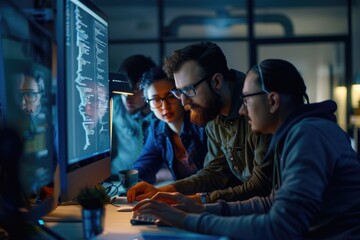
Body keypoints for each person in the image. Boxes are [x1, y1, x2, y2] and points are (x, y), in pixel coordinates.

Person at [133, 59, 360, 239]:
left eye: (247, 100)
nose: (242, 111)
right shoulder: (295, 134)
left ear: (272, 101)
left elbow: (280, 228)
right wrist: (198, 208)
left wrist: (185, 220)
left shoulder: (308, 136)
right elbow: (271, 203)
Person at [127, 41, 273, 203]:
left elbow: (262, 185)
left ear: (217, 82)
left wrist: (196, 201)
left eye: (189, 89)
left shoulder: (257, 109)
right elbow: (214, 172)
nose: (183, 102)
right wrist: (163, 191)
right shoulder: (211, 112)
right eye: (180, 92)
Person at [132, 66, 208, 183]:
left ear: (181, 95)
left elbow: (215, 173)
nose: (164, 106)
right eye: (156, 100)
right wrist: (134, 181)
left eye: (171, 97)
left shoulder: (201, 123)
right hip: (185, 196)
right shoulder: (157, 129)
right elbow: (144, 164)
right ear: (149, 105)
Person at [110, 55, 156, 179]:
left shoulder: (161, 113)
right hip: (116, 175)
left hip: (153, 178)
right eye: (123, 89)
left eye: (136, 90)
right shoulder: (116, 105)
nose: (127, 97)